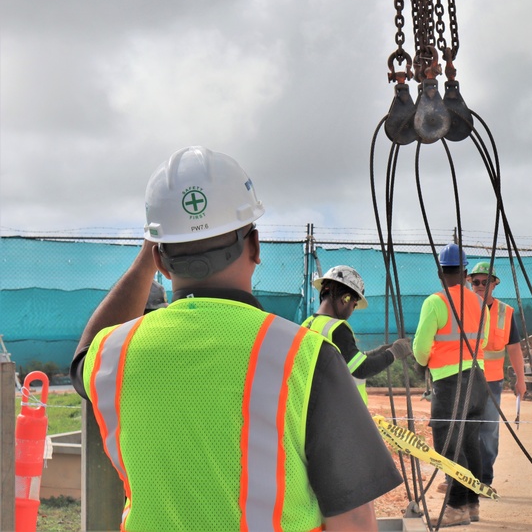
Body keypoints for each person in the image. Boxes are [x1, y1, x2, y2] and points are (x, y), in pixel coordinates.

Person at [70, 146, 401, 531]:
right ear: (256, 246)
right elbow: (355, 519)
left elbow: (84, 353)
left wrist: (151, 247)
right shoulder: (306, 357)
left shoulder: (112, 355)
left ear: (159, 261)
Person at [412, 243, 489, 528]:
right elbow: (484, 340)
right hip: (477, 380)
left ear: (440, 273)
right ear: (466, 272)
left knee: (449, 445)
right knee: (470, 444)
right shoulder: (479, 302)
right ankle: (471, 504)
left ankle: (456, 508)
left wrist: (426, 361)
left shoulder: (436, 301)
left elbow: (420, 347)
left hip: (449, 382)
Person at [304, 265, 412, 404]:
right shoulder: (337, 328)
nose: (352, 310)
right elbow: (361, 369)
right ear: (346, 299)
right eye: (354, 305)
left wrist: (371, 354)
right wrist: (394, 352)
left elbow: (338, 360)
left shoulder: (308, 323)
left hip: (317, 405)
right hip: (339, 410)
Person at [467, 261, 527, 489]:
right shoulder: (462, 308)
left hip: (492, 382)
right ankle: (460, 478)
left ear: (494, 284)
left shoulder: (505, 312)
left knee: (489, 432)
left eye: (485, 282)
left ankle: (485, 479)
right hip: (466, 378)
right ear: (469, 282)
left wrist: (521, 379)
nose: (480, 286)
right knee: (464, 428)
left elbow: (514, 348)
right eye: (475, 282)